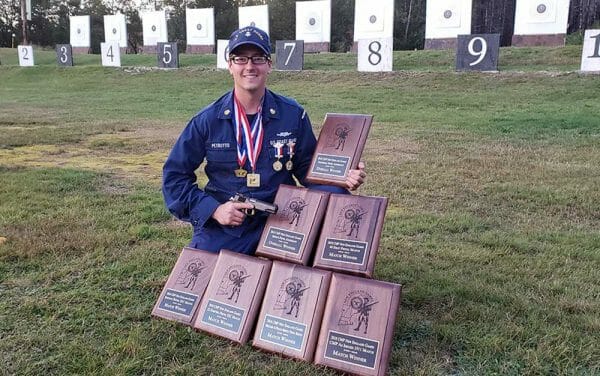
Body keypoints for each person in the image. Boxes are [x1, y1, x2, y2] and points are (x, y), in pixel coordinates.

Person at [162, 26, 366, 254]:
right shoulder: (207, 120)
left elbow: (308, 168)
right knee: (204, 283)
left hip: (283, 219)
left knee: (327, 254)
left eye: (258, 58)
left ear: (269, 64)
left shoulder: (292, 114)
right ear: (230, 65)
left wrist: (340, 177)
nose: (250, 66)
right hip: (231, 224)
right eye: (240, 59)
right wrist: (214, 210)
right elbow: (174, 177)